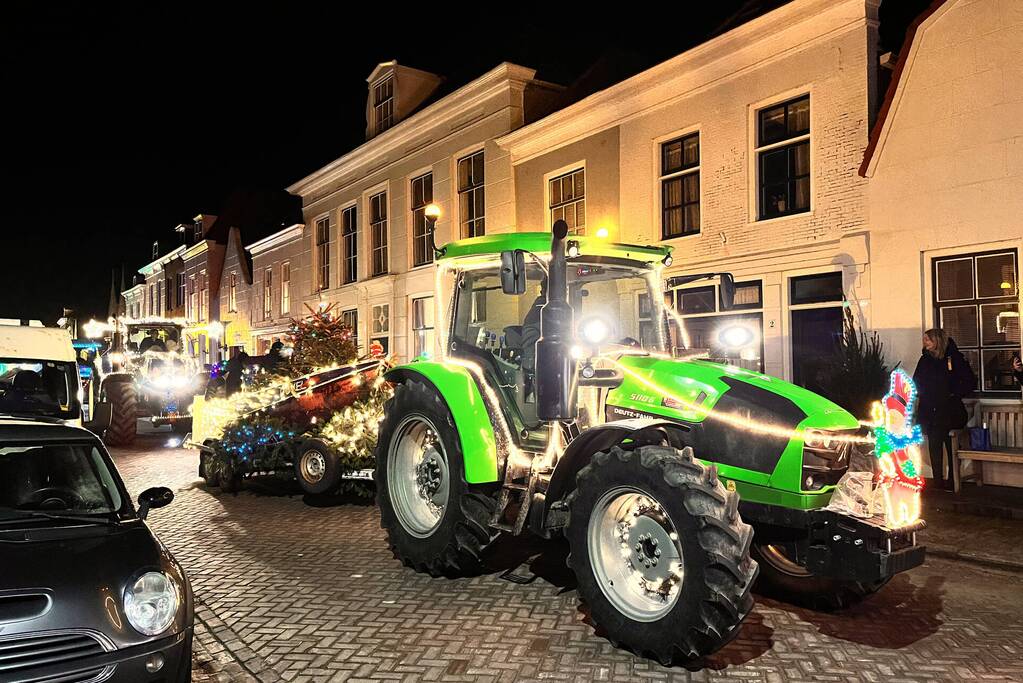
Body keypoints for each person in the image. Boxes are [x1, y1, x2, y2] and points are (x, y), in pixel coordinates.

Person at [912, 328, 974, 491]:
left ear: (937, 341)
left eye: (928, 340)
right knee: (934, 442)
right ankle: (938, 480)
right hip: (931, 408)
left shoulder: (953, 358)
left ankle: (953, 479)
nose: (925, 343)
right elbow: (917, 380)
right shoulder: (925, 359)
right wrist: (922, 393)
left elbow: (969, 381)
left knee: (949, 442)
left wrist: (954, 393)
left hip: (949, 409)